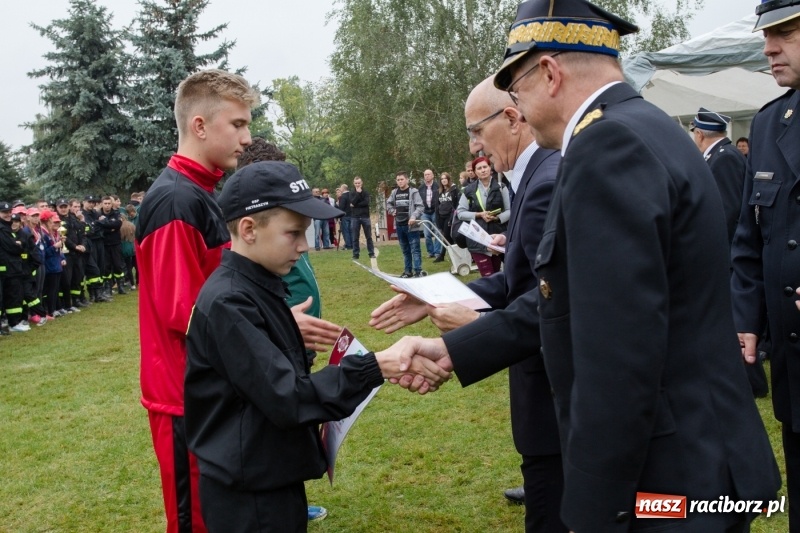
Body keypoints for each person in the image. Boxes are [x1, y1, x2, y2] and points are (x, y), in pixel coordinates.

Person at [394, 1, 781, 530]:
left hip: (666, 478)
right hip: (698, 455)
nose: (519, 112)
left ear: (549, 74)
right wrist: (452, 349)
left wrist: (595, 508)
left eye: (517, 91)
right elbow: (570, 298)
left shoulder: (606, 146)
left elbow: (617, 352)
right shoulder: (650, 127)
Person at [183, 161, 450, 533]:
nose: (304, 245)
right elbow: (287, 397)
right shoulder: (230, 302)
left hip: (268, 475)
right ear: (248, 230)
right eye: (293, 233)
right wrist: (376, 365)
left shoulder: (255, 287)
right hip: (249, 496)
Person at [371, 74, 563, 532]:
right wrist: (432, 295)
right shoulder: (532, 177)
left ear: (512, 119)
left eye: (477, 131)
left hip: (554, 396)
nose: (475, 147)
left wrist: (469, 328)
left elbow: (545, 302)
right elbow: (513, 282)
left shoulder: (545, 180)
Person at [135, 68, 259, 533]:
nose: (247, 138)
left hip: (210, 388)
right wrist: (265, 334)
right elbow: (183, 312)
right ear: (200, 126)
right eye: (238, 124)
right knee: (194, 523)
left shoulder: (202, 193)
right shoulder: (174, 200)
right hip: (183, 399)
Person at [732, 2, 800, 530]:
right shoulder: (771, 121)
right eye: (767, 35)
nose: (769, 47)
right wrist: (747, 319)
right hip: (792, 363)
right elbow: (749, 240)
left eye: (787, 32)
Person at [689, 108, 746, 243]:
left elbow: (727, 211)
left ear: (699, 134)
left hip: (726, 246)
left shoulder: (724, 157)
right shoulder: (722, 153)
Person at [457, 156, 510, 277]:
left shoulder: (501, 187)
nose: (483, 170)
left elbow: (509, 211)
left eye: (485, 167)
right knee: (487, 277)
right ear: (475, 172)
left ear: (490, 168)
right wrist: (479, 214)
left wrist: (497, 217)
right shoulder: (468, 190)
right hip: (477, 239)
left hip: (497, 237)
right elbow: (460, 213)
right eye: (479, 168)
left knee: (497, 276)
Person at [386, 171, 425, 278]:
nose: (400, 181)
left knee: (415, 249)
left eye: (402, 179)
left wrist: (413, 216)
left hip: (411, 226)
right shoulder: (394, 192)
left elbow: (420, 207)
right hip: (399, 225)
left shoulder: (413, 192)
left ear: (407, 180)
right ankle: (408, 271)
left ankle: (418, 271)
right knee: (405, 250)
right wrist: (392, 211)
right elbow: (388, 203)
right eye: (398, 180)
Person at [434, 172, 459, 262]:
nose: (443, 180)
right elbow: (437, 206)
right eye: (442, 179)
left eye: (445, 178)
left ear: (448, 179)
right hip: (441, 215)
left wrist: (454, 215)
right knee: (446, 236)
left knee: (447, 235)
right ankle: (452, 253)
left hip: (450, 215)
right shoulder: (438, 192)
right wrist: (437, 218)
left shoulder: (454, 190)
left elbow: (457, 203)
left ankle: (444, 254)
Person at [349, 176, 375, 260]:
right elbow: (352, 202)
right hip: (355, 217)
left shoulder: (366, 192)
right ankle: (355, 254)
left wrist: (355, 204)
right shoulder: (352, 193)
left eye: (359, 183)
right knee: (355, 237)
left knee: (369, 236)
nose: (357, 185)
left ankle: (371, 253)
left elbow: (366, 202)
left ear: (362, 183)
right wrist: (357, 194)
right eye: (356, 183)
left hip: (365, 217)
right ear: (354, 183)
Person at [419, 168, 442, 259]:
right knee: (427, 233)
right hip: (425, 212)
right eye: (425, 175)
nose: (427, 176)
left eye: (429, 174)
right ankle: (430, 252)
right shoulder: (421, 188)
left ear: (432, 176)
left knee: (437, 232)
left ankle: (437, 252)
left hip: (435, 212)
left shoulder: (438, 186)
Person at [337, 183, 353, 250]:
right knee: (351, 230)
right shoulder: (352, 195)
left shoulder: (343, 196)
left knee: (346, 231)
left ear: (343, 189)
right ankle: (353, 244)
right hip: (352, 215)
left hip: (345, 216)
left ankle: (348, 245)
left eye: (340, 188)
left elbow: (341, 207)